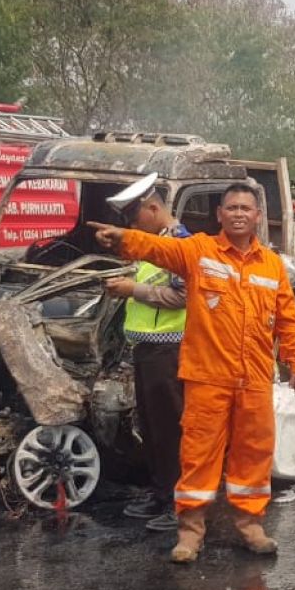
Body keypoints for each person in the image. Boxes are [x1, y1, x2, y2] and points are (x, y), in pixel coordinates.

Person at [88, 183, 295, 564]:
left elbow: (287, 318)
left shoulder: (272, 265)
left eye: (246, 208)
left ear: (257, 216)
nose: (239, 213)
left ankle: (250, 526)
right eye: (231, 207)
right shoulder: (199, 251)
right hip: (208, 376)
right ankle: (190, 533)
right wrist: (124, 238)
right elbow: (160, 248)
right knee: (197, 456)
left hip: (255, 379)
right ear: (219, 215)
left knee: (253, 455)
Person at [103, 173, 191, 533]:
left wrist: (132, 290)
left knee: (171, 429)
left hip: (169, 349)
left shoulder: (180, 244)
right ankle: (161, 493)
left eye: (133, 219)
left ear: (153, 209)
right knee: (153, 429)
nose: (131, 228)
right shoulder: (153, 244)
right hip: (147, 348)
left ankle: (181, 503)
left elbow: (183, 295)